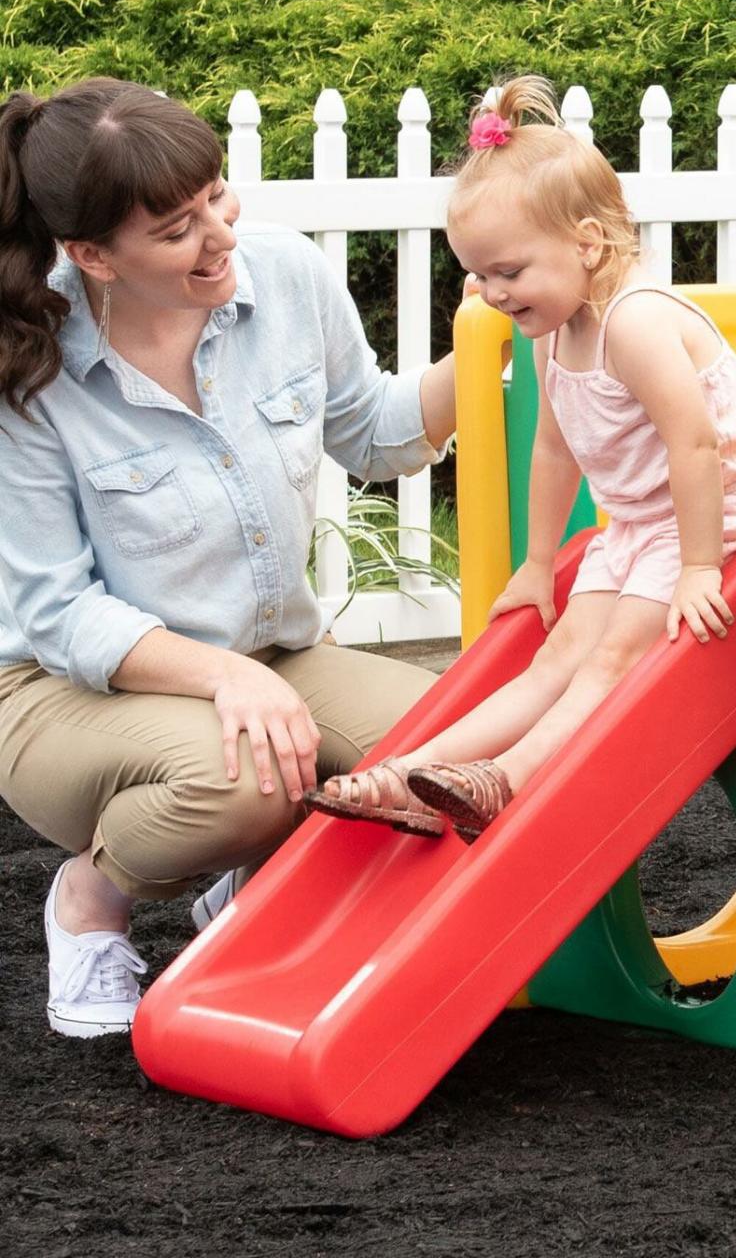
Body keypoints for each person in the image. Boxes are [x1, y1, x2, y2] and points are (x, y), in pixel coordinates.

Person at [0, 79, 456, 1037]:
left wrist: (500, 333)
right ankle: (92, 898)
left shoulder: (284, 276)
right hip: (60, 689)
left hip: (274, 657)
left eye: (216, 194)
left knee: (460, 755)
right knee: (247, 781)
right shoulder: (26, 366)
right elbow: (57, 612)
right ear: (91, 256)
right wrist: (219, 680)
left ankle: (262, 893)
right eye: (175, 228)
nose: (219, 234)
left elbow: (373, 434)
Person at [306, 75, 736, 840]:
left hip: (720, 527)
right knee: (554, 660)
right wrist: (535, 561)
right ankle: (401, 774)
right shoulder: (557, 330)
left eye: (508, 272)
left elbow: (696, 445)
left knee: (608, 660)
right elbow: (556, 451)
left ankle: (504, 779)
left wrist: (698, 567)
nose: (491, 292)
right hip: (635, 529)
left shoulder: (637, 322)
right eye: (478, 274)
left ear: (586, 243)